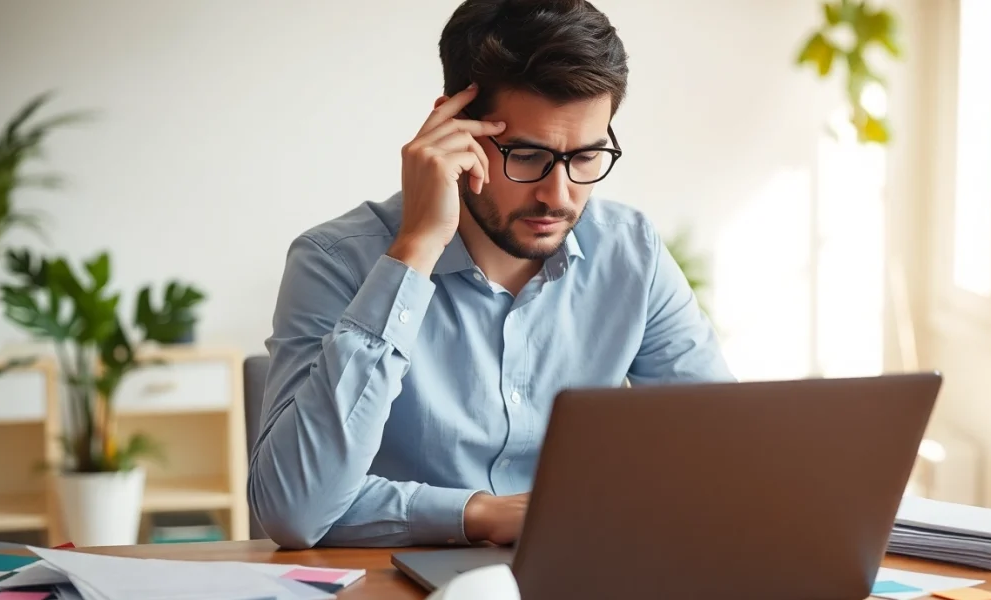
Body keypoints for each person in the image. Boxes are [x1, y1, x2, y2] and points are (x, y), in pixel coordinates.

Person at [248, 0, 734, 550]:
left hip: (576, 570)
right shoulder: (335, 261)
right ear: (453, 131)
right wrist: (416, 248)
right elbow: (296, 508)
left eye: (585, 156)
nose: (557, 195)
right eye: (526, 155)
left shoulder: (632, 253)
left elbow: (721, 458)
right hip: (391, 580)